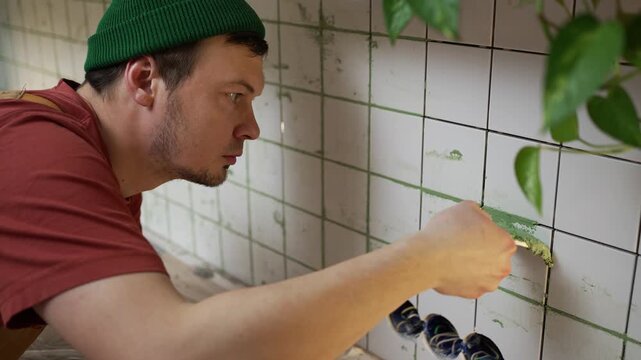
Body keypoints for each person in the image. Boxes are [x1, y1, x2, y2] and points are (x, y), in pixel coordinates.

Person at [0, 1, 516, 359]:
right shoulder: (36, 150)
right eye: (233, 95)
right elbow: (169, 349)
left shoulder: (89, 158)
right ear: (144, 80)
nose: (251, 127)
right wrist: (430, 257)